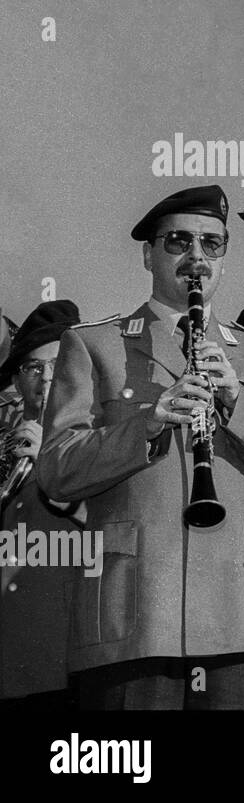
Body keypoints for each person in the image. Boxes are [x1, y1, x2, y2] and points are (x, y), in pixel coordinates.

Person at [38, 184, 244, 710]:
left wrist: (235, 399)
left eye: (212, 244)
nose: (196, 257)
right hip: (133, 609)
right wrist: (147, 422)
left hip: (236, 610)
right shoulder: (93, 344)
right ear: (148, 254)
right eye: (179, 242)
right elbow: (56, 471)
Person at [0, 300, 83, 712]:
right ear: (17, 378)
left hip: (72, 649)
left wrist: (51, 462)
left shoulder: (98, 443)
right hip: (10, 649)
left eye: (57, 364)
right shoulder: (4, 442)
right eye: (33, 367)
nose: (46, 378)